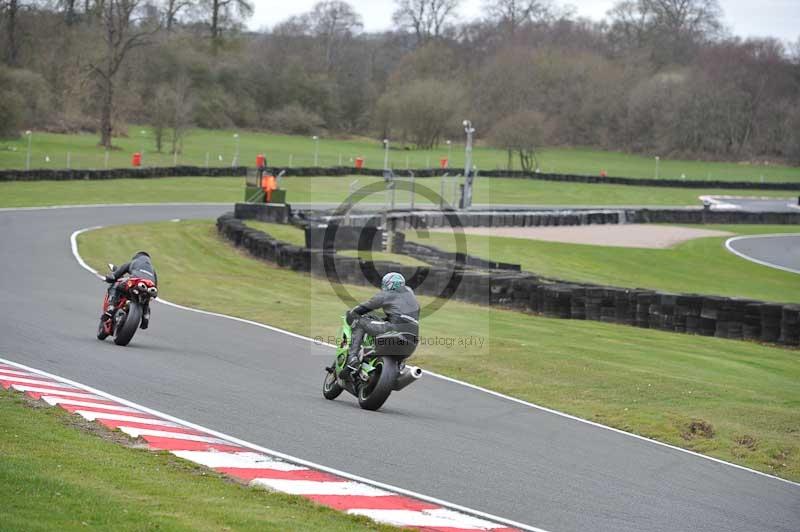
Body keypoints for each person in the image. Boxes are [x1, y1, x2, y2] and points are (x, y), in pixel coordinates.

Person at [345, 272, 420, 379]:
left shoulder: (388, 294)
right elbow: (404, 317)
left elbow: (366, 306)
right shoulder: (412, 297)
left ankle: (352, 358)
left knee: (360, 322)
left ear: (389, 284)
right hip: (413, 338)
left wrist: (352, 313)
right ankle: (399, 364)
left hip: (393, 329)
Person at [103, 251, 158, 329]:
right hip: (148, 287)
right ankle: (146, 316)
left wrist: (109, 278)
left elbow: (117, 274)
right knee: (146, 300)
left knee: (117, 285)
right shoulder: (152, 269)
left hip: (135, 283)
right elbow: (155, 287)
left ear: (136, 257)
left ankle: (111, 307)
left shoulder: (134, 262)